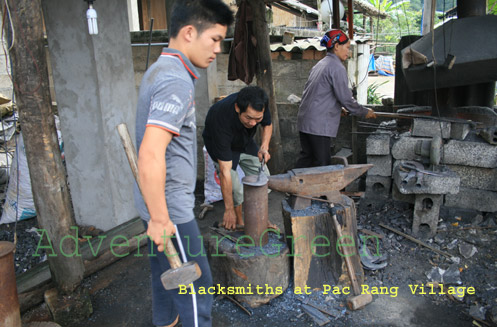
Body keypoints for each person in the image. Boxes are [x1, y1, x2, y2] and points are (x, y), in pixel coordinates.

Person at [134, 1, 233, 326]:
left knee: (165, 279)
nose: (218, 49)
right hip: (170, 212)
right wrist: (162, 220)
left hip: (156, 206)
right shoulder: (175, 80)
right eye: (215, 39)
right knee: (195, 290)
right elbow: (150, 153)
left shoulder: (160, 70)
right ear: (190, 32)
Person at [295, 29, 377, 168]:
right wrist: (364, 111)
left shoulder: (320, 64)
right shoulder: (337, 67)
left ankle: (292, 188)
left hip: (306, 120)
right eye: (347, 47)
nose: (348, 52)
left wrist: (336, 109)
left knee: (307, 159)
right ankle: (315, 189)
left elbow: (319, 94)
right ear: (337, 46)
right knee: (322, 164)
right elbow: (346, 98)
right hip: (318, 125)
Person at [202, 86, 276, 231]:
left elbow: (267, 124)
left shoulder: (260, 105)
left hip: (245, 141)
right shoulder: (221, 117)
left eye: (257, 119)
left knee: (263, 178)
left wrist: (264, 146)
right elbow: (225, 172)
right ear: (237, 108)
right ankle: (239, 222)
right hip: (221, 144)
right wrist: (228, 209)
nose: (253, 123)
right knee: (235, 187)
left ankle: (261, 219)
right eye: (248, 118)